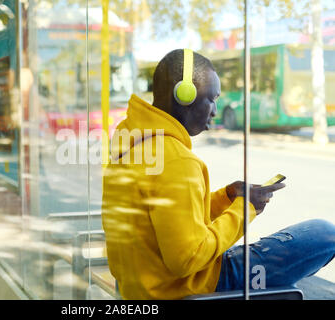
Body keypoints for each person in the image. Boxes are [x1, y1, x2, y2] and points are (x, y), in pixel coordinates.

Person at [101, 49, 335, 300]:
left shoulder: (135, 148)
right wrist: (245, 209)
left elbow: (168, 217)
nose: (214, 110)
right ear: (185, 95)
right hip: (195, 287)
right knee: (323, 234)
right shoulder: (176, 159)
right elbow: (188, 258)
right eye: (212, 99)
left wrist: (226, 197)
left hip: (142, 287)